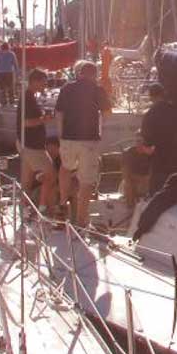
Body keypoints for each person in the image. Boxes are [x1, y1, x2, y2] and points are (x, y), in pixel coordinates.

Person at [55, 59, 112, 228]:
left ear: (80, 73)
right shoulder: (98, 90)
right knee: (86, 181)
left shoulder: (67, 88)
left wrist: (61, 136)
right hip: (89, 140)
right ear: (94, 75)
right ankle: (81, 221)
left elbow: (59, 114)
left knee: (65, 168)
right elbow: (107, 114)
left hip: (68, 138)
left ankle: (62, 203)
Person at [140, 82, 177, 195]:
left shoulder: (150, 115)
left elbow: (147, 144)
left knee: (158, 195)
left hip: (160, 163)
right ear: (164, 94)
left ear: (151, 97)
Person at [16, 68, 56, 211]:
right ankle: (43, 207)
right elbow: (26, 122)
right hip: (32, 145)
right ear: (34, 81)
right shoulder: (27, 98)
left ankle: (24, 208)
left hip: (26, 143)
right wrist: (44, 119)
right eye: (43, 83)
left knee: (27, 179)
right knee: (51, 175)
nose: (45, 85)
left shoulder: (28, 97)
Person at [0, 42, 19, 106]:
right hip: (7, 72)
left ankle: (6, 102)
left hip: (4, 72)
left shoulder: (2, 54)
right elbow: (15, 64)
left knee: (4, 88)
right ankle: (9, 102)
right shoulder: (10, 54)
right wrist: (17, 72)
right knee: (8, 88)